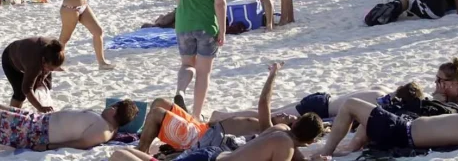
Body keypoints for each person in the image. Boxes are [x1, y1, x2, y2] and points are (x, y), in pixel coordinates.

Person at [121, 63, 326, 161]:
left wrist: (274, 73)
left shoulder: (278, 133)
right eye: (289, 116)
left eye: (290, 117)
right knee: (159, 105)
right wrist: (273, 73)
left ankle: (131, 153)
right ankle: (130, 153)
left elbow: (264, 104)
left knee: (157, 112)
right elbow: (263, 104)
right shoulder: (280, 133)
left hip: (208, 145)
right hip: (208, 145)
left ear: (295, 124)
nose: (287, 116)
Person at [315, 90, 458, 158]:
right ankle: (348, 148)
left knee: (351, 104)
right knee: (373, 111)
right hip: (402, 128)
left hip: (401, 131)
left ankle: (326, 152)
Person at [174, 0, 231, 119]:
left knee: (186, 65)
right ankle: (197, 115)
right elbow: (220, 3)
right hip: (206, 24)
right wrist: (223, 30)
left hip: (183, 22)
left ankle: (180, 91)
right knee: (203, 72)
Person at [0, 100, 139, 156]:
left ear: (114, 111)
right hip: (38, 121)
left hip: (37, 132)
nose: (109, 106)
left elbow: (81, 143)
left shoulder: (104, 130)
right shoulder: (105, 123)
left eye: (113, 106)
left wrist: (48, 147)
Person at [210, 82, 422, 123]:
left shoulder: (382, 89)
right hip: (319, 108)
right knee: (269, 116)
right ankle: (222, 117)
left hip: (322, 98)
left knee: (272, 111)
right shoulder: (381, 102)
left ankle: (224, 115)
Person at [1, 37, 64, 111]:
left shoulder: (56, 51)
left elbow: (49, 68)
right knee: (20, 93)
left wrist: (43, 77)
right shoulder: (34, 64)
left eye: (54, 68)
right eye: (50, 68)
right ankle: (12, 114)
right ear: (43, 60)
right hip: (10, 58)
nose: (51, 71)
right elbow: (27, 89)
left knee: (46, 84)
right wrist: (40, 107)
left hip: (30, 56)